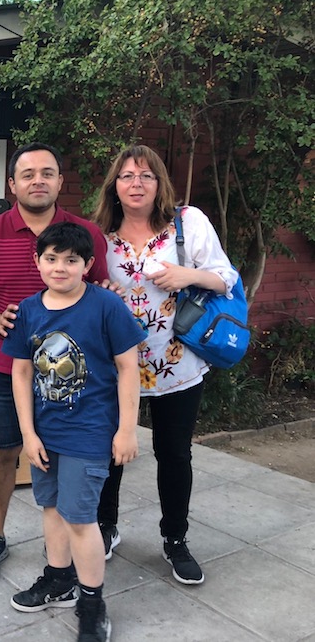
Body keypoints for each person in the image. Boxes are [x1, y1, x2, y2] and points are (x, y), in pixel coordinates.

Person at [0, 142, 109, 575]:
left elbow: (99, 292)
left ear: (60, 181)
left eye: (47, 173)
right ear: (12, 184)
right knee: (3, 450)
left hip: (71, 375)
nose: (37, 181)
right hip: (6, 369)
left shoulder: (86, 234)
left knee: (71, 455)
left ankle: (63, 543)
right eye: (27, 174)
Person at [91, 144, 238, 585]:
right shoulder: (98, 235)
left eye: (146, 175)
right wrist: (100, 291)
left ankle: (175, 538)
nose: (136, 183)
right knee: (109, 451)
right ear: (114, 185)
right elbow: (80, 285)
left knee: (174, 453)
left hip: (178, 364)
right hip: (116, 366)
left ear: (159, 183)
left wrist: (187, 275)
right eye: (127, 176)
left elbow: (226, 278)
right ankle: (104, 525)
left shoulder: (187, 223)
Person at [3, 222, 145, 642]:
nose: (60, 267)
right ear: (37, 261)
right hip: (46, 433)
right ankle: (58, 578)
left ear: (87, 264)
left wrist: (127, 430)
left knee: (81, 519)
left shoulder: (106, 306)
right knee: (51, 508)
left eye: (71, 260)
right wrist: (28, 434)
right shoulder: (28, 310)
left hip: (90, 432)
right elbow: (21, 373)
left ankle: (92, 603)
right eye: (51, 258)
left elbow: (128, 368)